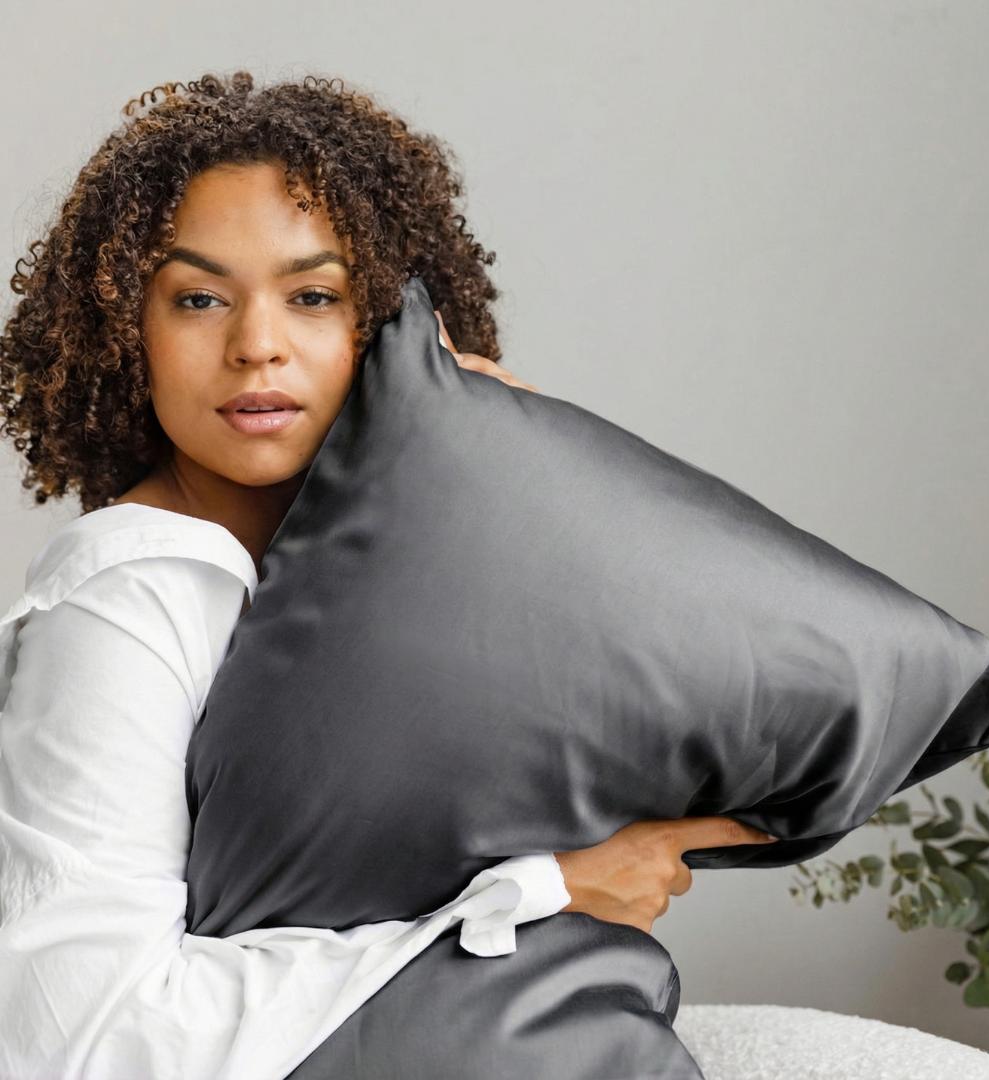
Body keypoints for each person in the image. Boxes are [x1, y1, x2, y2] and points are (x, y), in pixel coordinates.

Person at [0, 70, 777, 1078]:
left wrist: (474, 451)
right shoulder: (131, 594)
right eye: (198, 298)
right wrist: (544, 897)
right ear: (121, 334)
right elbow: (79, 1034)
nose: (258, 347)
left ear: (382, 325)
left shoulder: (380, 574)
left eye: (314, 297)